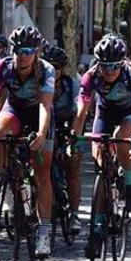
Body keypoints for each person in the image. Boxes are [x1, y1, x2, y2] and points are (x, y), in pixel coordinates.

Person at [0, 26, 55, 256]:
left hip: (39, 115)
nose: (22, 55)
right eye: (18, 50)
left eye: (28, 50)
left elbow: (45, 106)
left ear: (37, 52)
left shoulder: (46, 70)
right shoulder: (2, 67)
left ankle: (44, 232)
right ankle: (6, 179)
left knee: (42, 172)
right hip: (15, 110)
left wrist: (41, 133)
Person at [75, 36, 131, 258]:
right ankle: (97, 229)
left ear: (122, 63)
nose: (109, 71)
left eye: (114, 66)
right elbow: (81, 112)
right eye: (104, 65)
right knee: (101, 165)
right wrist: (74, 137)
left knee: (120, 137)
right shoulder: (91, 76)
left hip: (128, 116)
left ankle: (130, 184)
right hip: (104, 115)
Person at [43, 45, 83, 234]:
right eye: (49, 66)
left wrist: (73, 136)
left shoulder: (72, 85)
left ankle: (74, 214)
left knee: (72, 163)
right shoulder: (37, 83)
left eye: (57, 67)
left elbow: (80, 112)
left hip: (67, 125)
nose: (53, 70)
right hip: (43, 127)